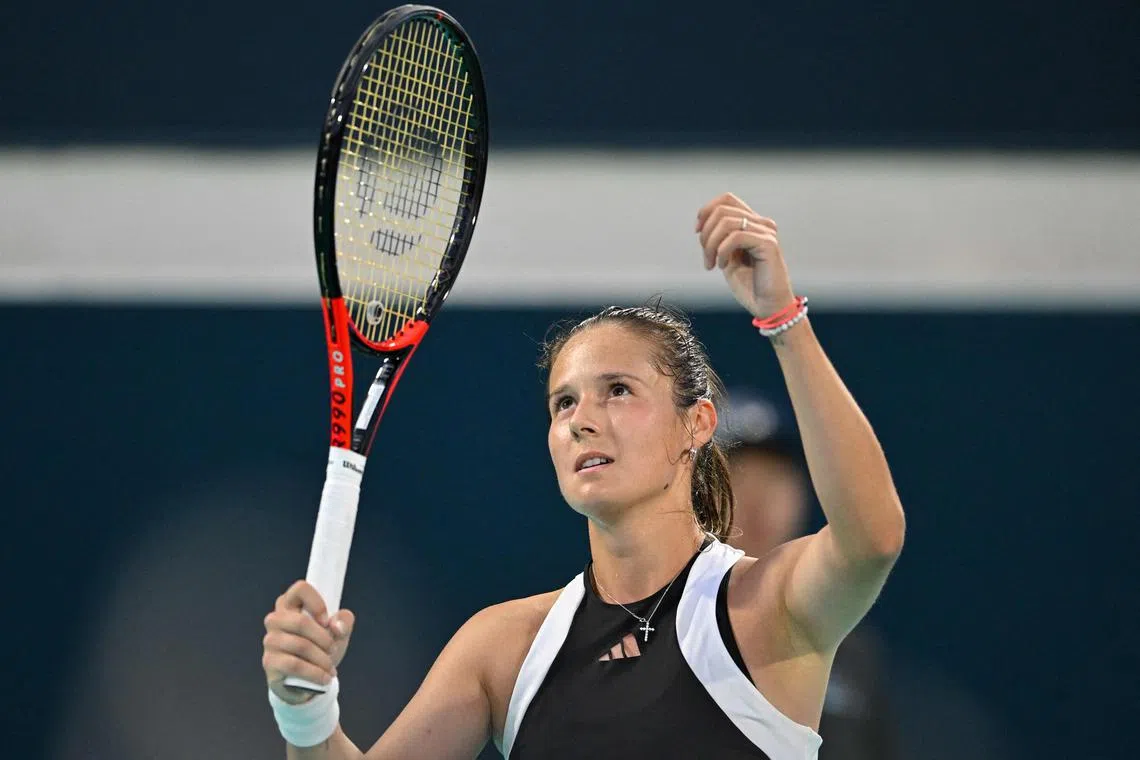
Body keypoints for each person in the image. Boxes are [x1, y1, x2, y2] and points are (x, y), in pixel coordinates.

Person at [261, 192, 907, 759]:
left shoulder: (764, 609)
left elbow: (872, 537)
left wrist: (783, 320)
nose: (581, 420)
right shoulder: (503, 649)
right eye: (563, 402)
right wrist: (306, 709)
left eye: (618, 390)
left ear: (697, 423)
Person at [721, 388, 900, 760]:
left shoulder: (852, 650)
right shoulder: (657, 632)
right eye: (737, 476)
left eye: (774, 479)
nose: (758, 501)